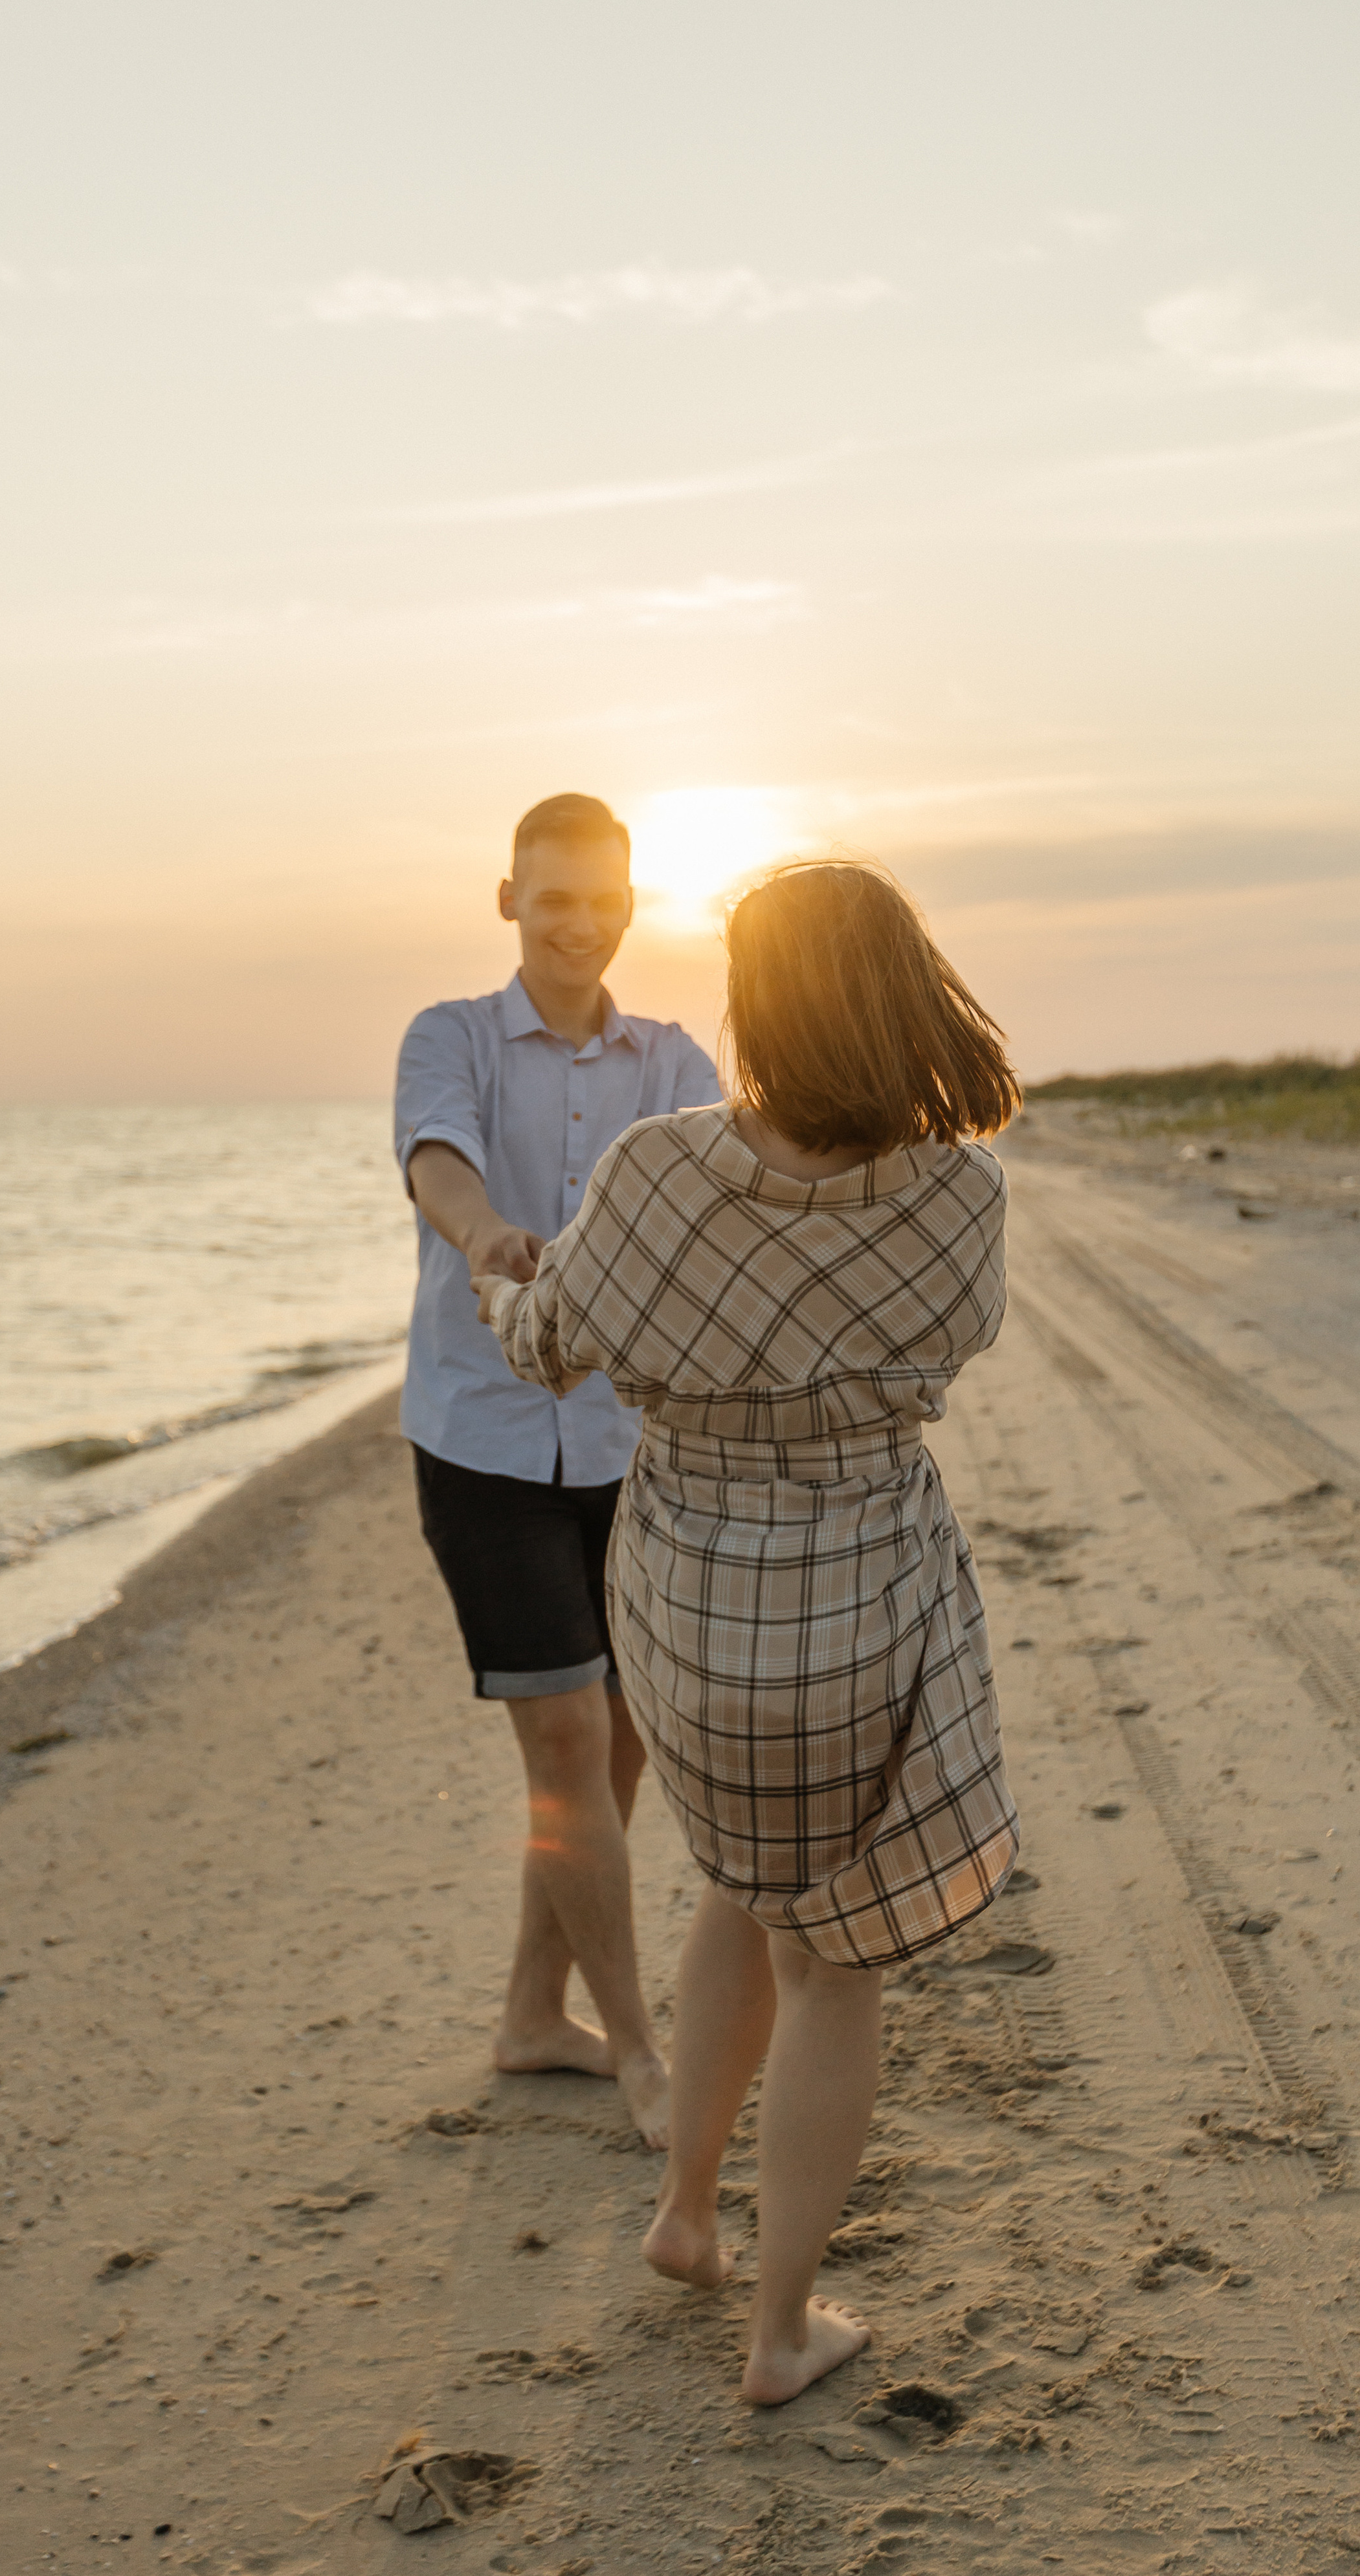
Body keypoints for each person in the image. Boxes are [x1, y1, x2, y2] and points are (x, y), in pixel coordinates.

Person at [472, 857, 1021, 2405]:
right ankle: (778, 2332)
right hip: (858, 1609)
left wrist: (497, 1283)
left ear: (754, 1001)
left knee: (739, 1886)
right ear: (906, 992)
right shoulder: (959, 1192)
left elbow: (549, 1347)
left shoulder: (655, 1170)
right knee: (831, 1959)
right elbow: (956, 1339)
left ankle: (685, 2212)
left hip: (693, 1620)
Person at [394, 792, 722, 2150]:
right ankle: (640, 2051)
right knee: (570, 1737)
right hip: (482, 1436)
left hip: (629, 1444)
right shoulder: (451, 1035)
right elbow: (438, 1158)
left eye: (599, 901)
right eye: (552, 901)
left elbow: (719, 1190)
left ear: (629, 906)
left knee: (617, 1740)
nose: (576, 925)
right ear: (509, 902)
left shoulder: (674, 1059)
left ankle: (535, 2013)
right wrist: (484, 1237)